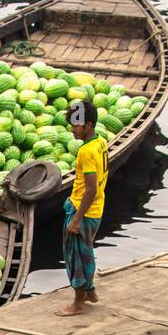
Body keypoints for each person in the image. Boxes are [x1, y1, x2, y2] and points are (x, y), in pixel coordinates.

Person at [57, 97, 108, 318]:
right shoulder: (100, 142)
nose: (72, 129)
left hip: (83, 211)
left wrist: (76, 219)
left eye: (76, 125)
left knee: (75, 257)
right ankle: (90, 291)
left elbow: (90, 190)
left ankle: (77, 303)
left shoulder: (85, 152)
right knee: (86, 252)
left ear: (88, 125)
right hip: (96, 210)